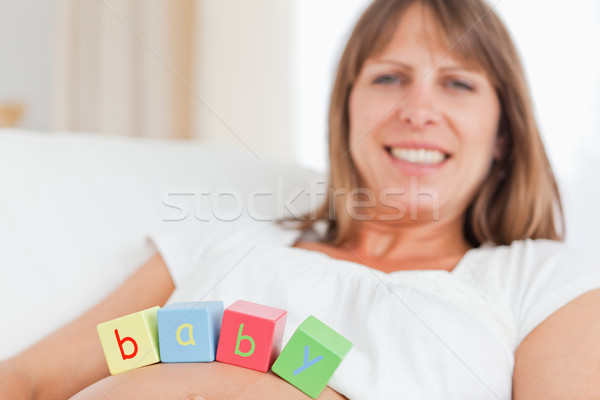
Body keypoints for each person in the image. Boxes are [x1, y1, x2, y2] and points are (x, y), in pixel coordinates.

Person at [2, 0, 600, 398]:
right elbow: (30, 380)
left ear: (502, 133)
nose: (418, 109)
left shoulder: (541, 280)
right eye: (389, 77)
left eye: (458, 83)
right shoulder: (226, 242)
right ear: (345, 112)